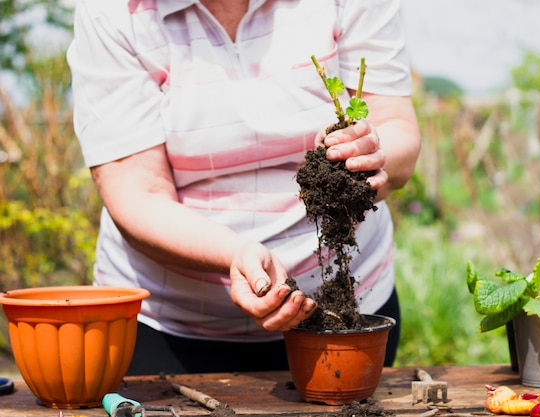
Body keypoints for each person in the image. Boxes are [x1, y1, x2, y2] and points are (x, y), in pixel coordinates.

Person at [67, 0, 421, 375]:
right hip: (168, 325)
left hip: (343, 312)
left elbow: (395, 125)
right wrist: (234, 253)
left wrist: (371, 158)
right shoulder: (114, 11)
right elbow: (138, 193)